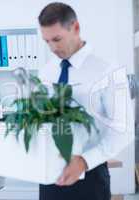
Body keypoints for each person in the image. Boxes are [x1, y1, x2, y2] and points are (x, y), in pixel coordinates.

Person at [37, 2, 132, 200]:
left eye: (57, 39)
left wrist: (84, 161)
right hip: (49, 176)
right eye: (47, 42)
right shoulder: (47, 71)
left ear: (76, 28)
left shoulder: (108, 70)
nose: (53, 48)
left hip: (90, 177)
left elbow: (123, 130)